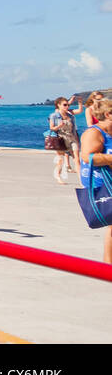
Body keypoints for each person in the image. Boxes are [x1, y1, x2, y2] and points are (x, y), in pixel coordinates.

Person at [79, 99, 112, 264]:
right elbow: (88, 156)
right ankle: (108, 267)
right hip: (104, 187)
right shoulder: (94, 133)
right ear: (108, 114)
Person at [50, 98, 80, 183]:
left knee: (77, 159)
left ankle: (81, 179)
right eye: (65, 105)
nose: (67, 106)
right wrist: (59, 126)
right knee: (60, 160)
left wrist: (76, 139)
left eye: (68, 105)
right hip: (61, 139)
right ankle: (58, 176)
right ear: (58, 105)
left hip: (72, 138)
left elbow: (73, 129)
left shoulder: (70, 115)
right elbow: (52, 128)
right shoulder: (54, 116)